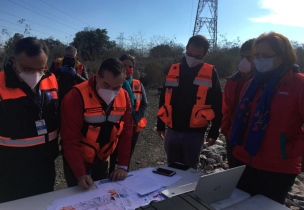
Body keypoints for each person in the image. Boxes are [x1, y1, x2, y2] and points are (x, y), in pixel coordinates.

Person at [229, 32, 304, 204]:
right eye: (258, 55)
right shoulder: (250, 84)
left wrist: (287, 149)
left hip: (277, 168)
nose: (259, 60)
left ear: (282, 56)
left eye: (266, 56)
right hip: (242, 160)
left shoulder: (299, 84)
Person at [0, 37, 59, 202]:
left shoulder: (50, 78)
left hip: (46, 163)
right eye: (27, 69)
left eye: (41, 69)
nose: (35, 75)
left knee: (45, 202)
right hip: (11, 168)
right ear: (14, 62)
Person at [61, 58, 133, 189]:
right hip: (77, 160)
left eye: (117, 87)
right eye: (106, 85)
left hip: (103, 159)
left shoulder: (124, 97)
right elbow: (70, 139)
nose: (111, 91)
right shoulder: (75, 96)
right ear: (98, 76)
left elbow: (126, 133)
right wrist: (80, 174)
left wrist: (122, 166)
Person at [157, 35, 222, 169]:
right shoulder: (174, 69)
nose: (192, 58)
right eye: (189, 54)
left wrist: (214, 131)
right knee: (171, 168)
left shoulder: (210, 72)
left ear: (205, 54)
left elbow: (217, 103)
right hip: (172, 131)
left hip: (195, 133)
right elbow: (164, 97)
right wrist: (160, 124)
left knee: (191, 171)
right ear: (186, 49)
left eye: (198, 56)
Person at [109, 54, 147, 173]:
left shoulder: (138, 84)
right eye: (124, 65)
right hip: (113, 126)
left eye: (130, 66)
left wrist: (135, 119)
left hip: (133, 127)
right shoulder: (110, 82)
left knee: (126, 156)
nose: (127, 68)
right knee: (110, 156)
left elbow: (144, 104)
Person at [221, 39, 255, 168]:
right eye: (242, 57)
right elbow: (225, 107)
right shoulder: (232, 81)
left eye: (249, 57)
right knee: (234, 173)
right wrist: (225, 130)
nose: (244, 60)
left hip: (253, 137)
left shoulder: (266, 83)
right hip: (233, 135)